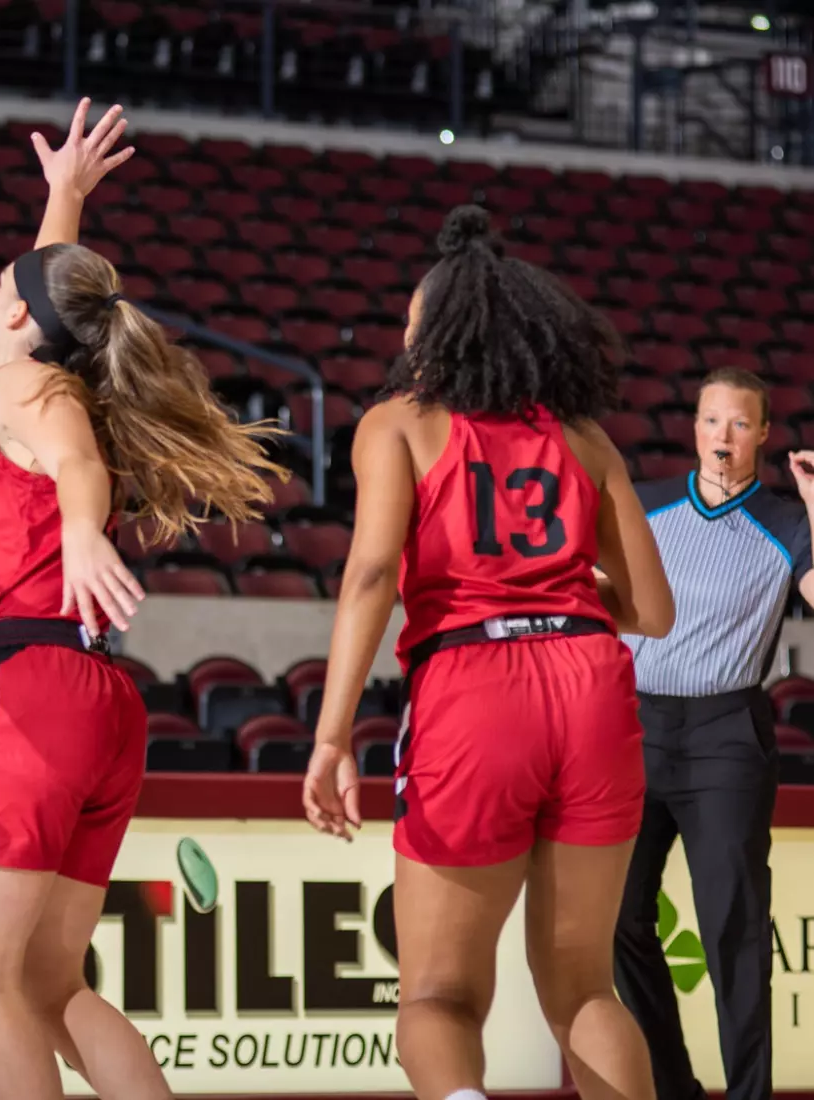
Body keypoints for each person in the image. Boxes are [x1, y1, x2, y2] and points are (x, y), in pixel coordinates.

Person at [0, 97, 280, 1100]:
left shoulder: (25, 389)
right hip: (93, 700)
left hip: (24, 689)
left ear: (20, 319)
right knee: (47, 985)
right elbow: (53, 304)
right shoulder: (61, 378)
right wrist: (64, 197)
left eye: (1, 289)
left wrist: (82, 529)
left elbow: (74, 464)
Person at [302, 206, 676, 1100]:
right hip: (589, 681)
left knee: (438, 995)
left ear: (433, 334)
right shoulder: (584, 438)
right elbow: (655, 612)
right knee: (585, 988)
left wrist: (330, 735)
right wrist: (557, 599)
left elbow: (369, 576)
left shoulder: (397, 423)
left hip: (473, 682)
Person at [614, 366, 814, 1100]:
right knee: (617, 920)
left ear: (762, 433)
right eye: (710, 420)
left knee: (732, 926)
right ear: (693, 427)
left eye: (738, 423)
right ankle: (674, 1089)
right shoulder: (646, 503)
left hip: (726, 734)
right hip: (631, 728)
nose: (721, 436)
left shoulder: (787, 521)